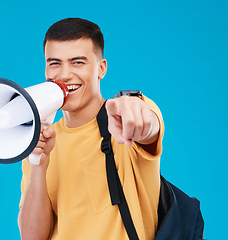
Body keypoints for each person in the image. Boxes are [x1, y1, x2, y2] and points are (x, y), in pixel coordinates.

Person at [18, 18, 164, 240]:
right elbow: (32, 237)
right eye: (54, 63)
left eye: (78, 62)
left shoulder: (123, 118)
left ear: (101, 68)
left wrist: (138, 113)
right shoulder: (40, 142)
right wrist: (38, 165)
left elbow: (147, 125)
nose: (65, 75)